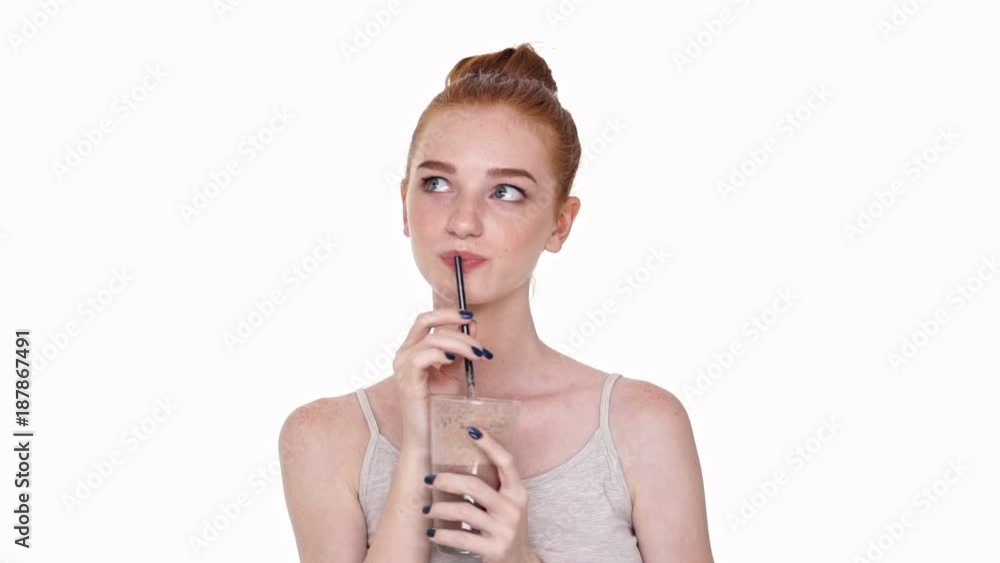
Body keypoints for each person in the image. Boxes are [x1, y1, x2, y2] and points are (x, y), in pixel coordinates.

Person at [279, 43, 714, 563]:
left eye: (505, 191)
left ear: (561, 224)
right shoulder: (324, 438)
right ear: (404, 206)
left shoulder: (642, 426)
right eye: (437, 183)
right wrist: (418, 448)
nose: (463, 221)